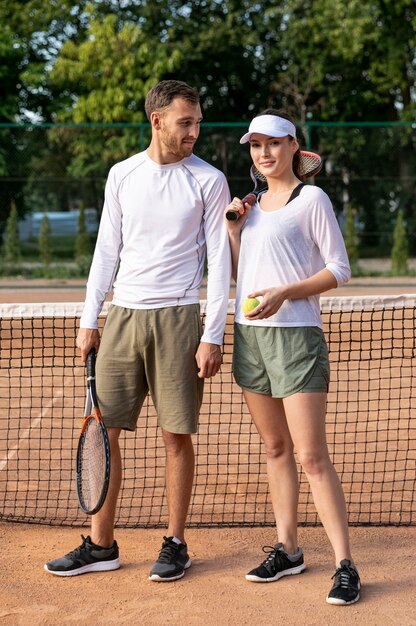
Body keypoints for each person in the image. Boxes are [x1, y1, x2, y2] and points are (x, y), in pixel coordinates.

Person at [44, 80, 231, 581]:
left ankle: (175, 544)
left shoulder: (209, 180)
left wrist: (213, 334)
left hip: (179, 319)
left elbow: (220, 261)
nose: (194, 130)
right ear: (157, 121)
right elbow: (107, 251)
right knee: (104, 434)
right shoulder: (122, 175)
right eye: (185, 122)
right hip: (123, 318)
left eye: (197, 121)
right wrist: (89, 319)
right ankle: (101, 545)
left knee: (176, 438)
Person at [225, 109, 361, 605]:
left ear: (293, 148)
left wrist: (288, 293)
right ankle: (288, 549)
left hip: (297, 337)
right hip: (250, 337)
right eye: (255, 145)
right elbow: (244, 272)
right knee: (276, 450)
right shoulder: (251, 206)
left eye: (273, 144)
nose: (264, 153)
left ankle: (346, 564)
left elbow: (339, 269)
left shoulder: (313, 199)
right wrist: (236, 231)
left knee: (310, 456)